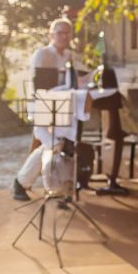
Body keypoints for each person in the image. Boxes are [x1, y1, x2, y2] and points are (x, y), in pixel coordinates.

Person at [11, 18, 83, 201]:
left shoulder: (69, 55)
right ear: (51, 35)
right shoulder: (41, 54)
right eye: (60, 33)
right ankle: (38, 184)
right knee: (53, 144)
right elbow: (41, 86)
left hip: (60, 109)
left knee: (55, 144)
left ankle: (22, 183)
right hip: (41, 108)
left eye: (67, 33)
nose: (64, 37)